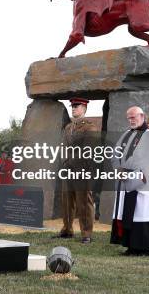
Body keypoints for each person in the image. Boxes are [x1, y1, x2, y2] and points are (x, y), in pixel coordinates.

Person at [110, 106, 149, 256]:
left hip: (142, 183)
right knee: (128, 214)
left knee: (141, 213)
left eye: (133, 117)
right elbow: (115, 152)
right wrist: (118, 168)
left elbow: (146, 159)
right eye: (129, 118)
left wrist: (126, 171)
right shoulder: (127, 134)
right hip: (126, 181)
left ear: (142, 116)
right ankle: (130, 246)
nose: (131, 120)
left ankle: (143, 248)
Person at [54, 98, 100, 244]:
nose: (73, 109)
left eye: (76, 106)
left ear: (84, 108)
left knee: (84, 202)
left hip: (82, 169)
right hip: (68, 169)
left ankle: (86, 233)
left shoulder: (90, 127)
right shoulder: (68, 127)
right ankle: (67, 229)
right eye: (72, 106)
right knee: (67, 201)